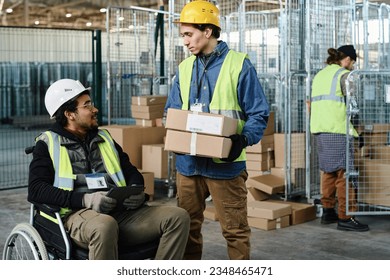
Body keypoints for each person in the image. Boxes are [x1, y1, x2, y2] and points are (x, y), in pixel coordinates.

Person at [28, 78, 190, 260]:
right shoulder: (47, 144)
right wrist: (85, 199)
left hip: (119, 213)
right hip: (76, 216)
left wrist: (137, 192)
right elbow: (36, 191)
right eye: (87, 106)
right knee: (104, 225)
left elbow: (131, 172)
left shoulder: (105, 138)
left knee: (178, 217)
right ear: (69, 114)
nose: (95, 109)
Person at [164, 0, 270, 260]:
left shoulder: (239, 65)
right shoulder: (184, 68)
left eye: (189, 34)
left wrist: (243, 139)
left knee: (235, 231)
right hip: (188, 167)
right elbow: (173, 112)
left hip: (226, 165)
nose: (185, 42)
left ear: (208, 31)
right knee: (186, 229)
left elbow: (259, 113)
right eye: (183, 36)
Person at [310, 45, 369, 232]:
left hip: (320, 129)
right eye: (352, 62)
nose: (352, 66)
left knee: (328, 171)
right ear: (347, 60)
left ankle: (328, 212)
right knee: (345, 174)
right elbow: (352, 104)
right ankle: (346, 216)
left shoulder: (320, 75)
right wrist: (357, 126)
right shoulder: (344, 75)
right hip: (338, 129)